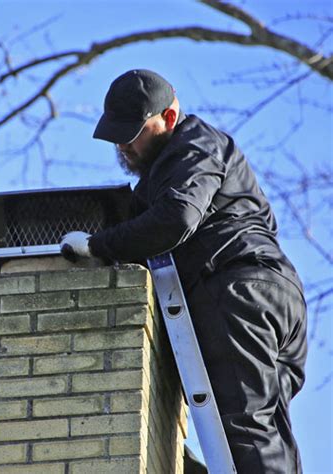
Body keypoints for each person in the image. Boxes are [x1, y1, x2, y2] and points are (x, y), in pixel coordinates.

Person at [60, 69, 307, 474]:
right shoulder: (176, 168)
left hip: (237, 289)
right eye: (116, 135)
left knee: (245, 429)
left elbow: (176, 218)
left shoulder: (194, 145)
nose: (123, 145)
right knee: (264, 428)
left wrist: (98, 246)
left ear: (169, 119)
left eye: (133, 132)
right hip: (272, 295)